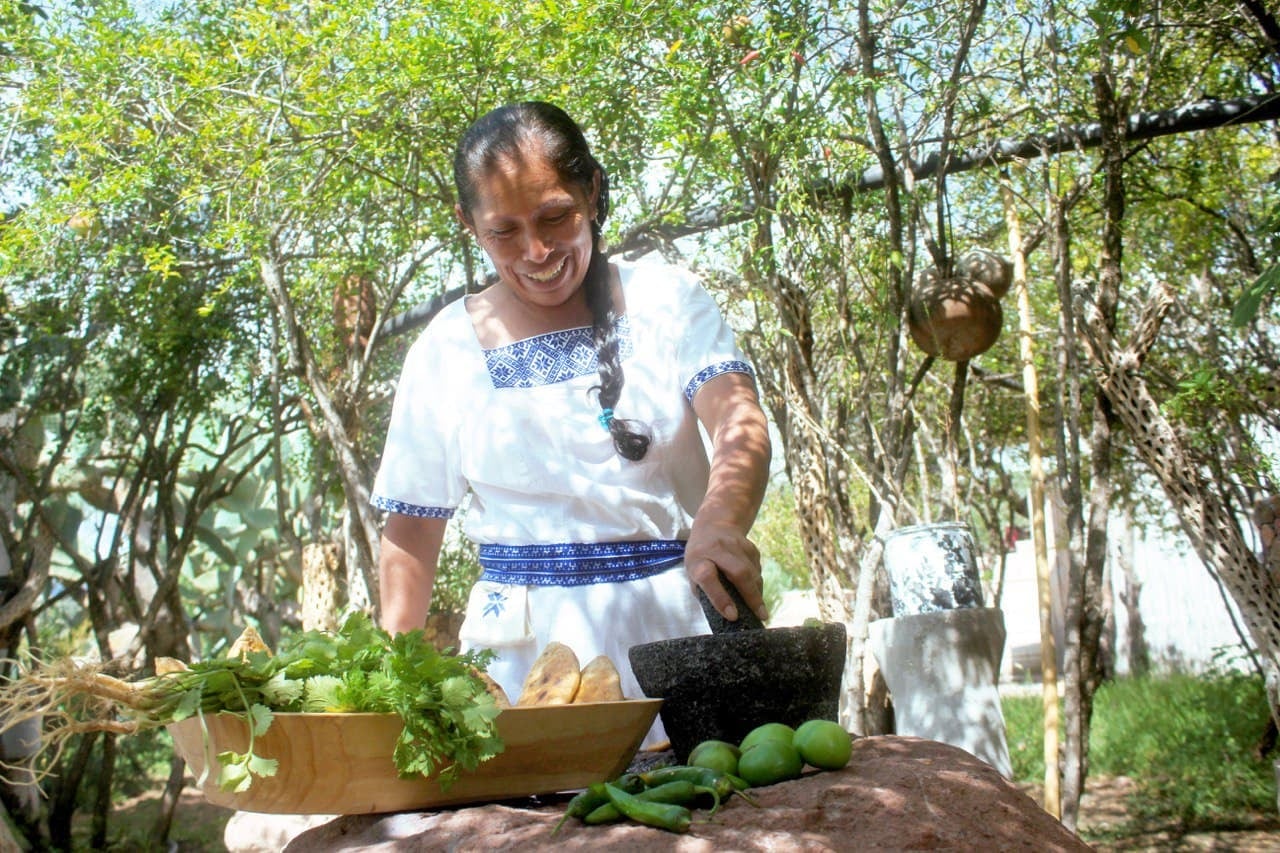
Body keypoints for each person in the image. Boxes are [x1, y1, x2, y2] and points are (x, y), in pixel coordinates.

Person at [371, 101, 771, 736]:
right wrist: (397, 681)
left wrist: (720, 523)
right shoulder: (445, 349)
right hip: (516, 664)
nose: (537, 251)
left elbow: (737, 419)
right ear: (467, 225)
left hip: (675, 640)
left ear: (592, 191)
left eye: (556, 217)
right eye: (505, 231)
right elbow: (412, 532)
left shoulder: (665, 301)